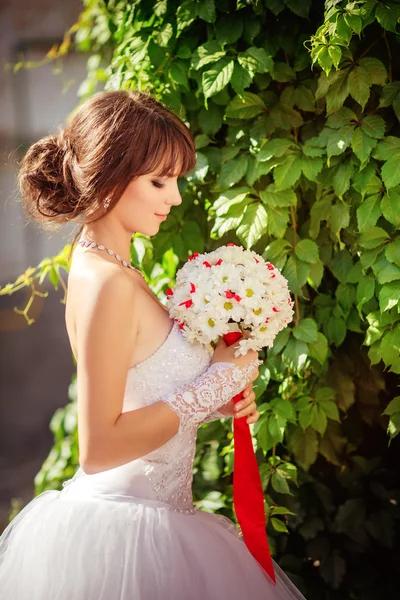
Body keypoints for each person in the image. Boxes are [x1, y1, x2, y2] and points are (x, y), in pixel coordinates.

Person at [0, 90, 306, 599]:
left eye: (177, 181)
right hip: (128, 534)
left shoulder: (113, 268)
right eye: (159, 181)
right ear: (112, 176)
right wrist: (211, 385)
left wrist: (216, 400)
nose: (176, 198)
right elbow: (99, 448)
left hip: (158, 519)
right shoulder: (107, 282)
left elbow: (139, 397)